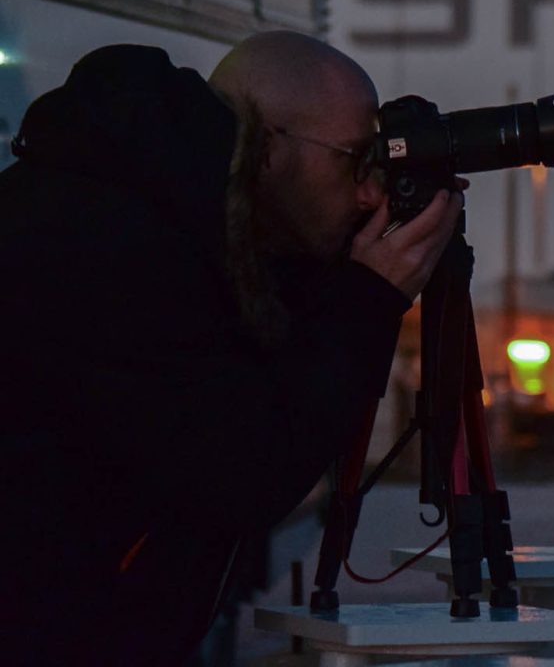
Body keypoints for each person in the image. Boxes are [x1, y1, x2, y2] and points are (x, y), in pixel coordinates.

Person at [0, 33, 463, 664]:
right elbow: (243, 469)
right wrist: (368, 299)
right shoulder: (103, 248)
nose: (368, 193)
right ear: (269, 146)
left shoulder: (168, 217)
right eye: (356, 160)